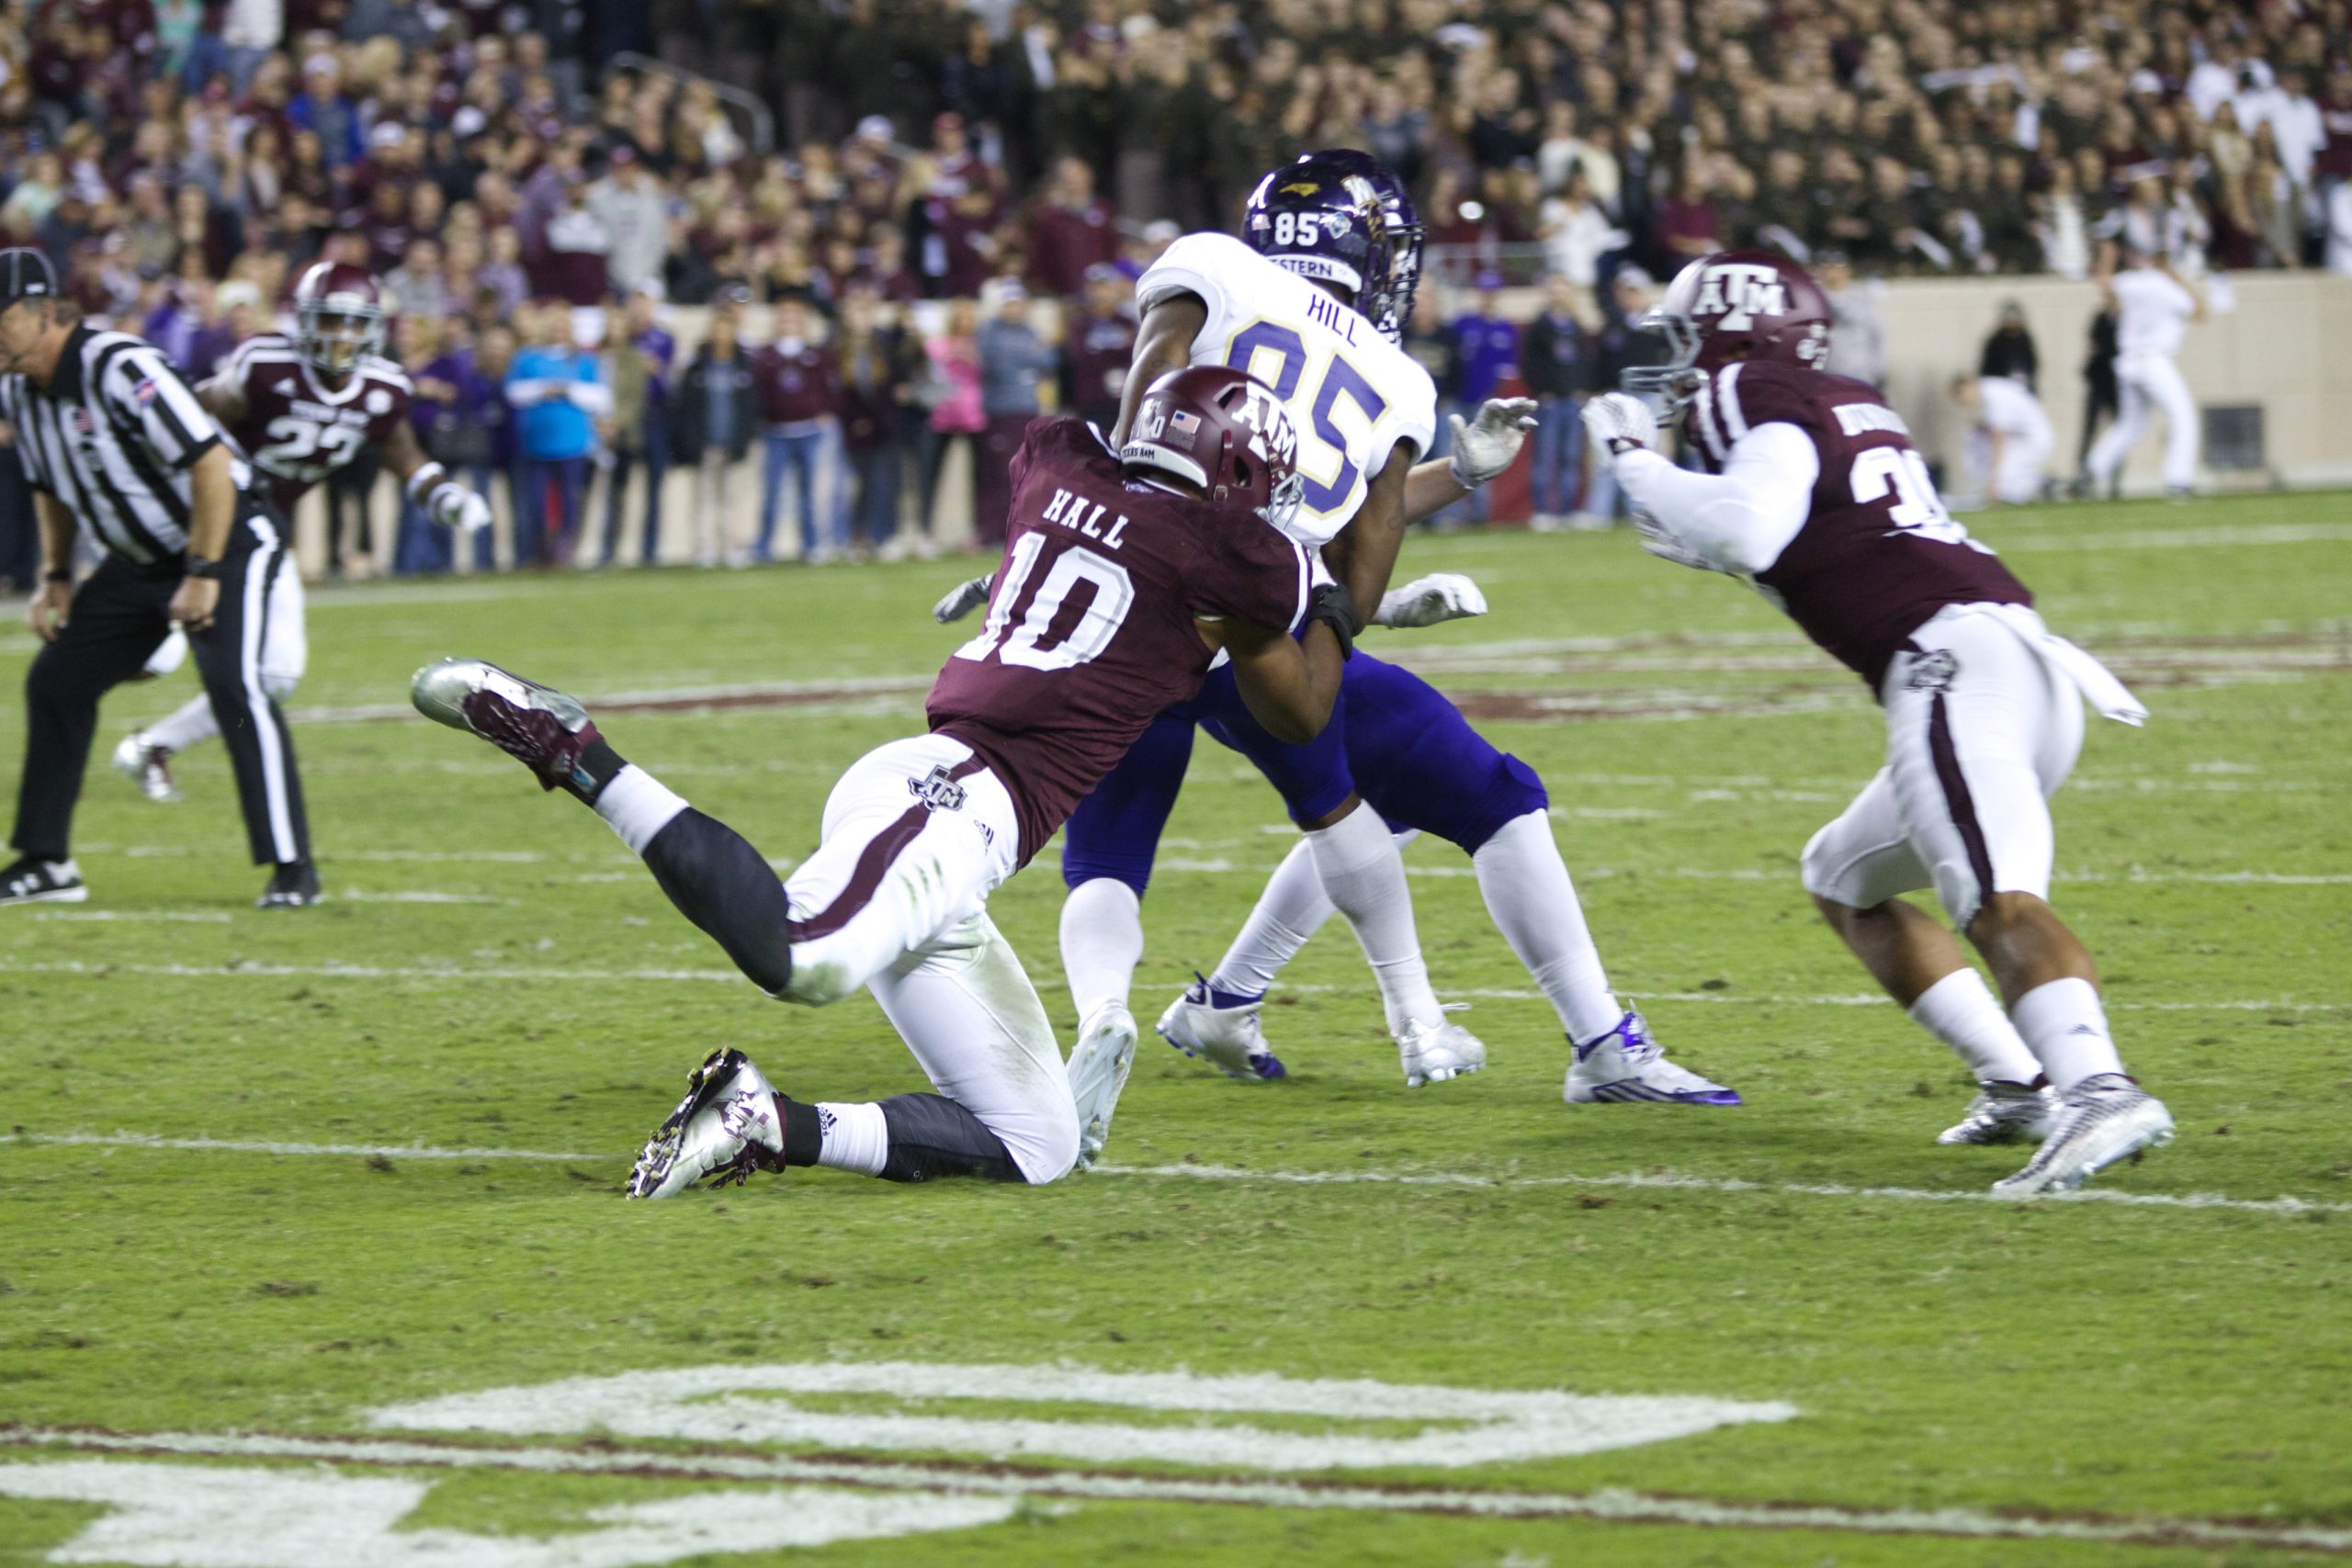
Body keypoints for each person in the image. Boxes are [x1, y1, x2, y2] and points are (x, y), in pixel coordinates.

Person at [411, 365, 1349, 1194]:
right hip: (949, 797)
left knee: (1037, 1142)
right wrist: (1347, 599)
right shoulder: (1231, 560)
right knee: (802, 957)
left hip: (956, 823)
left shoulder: (1061, 463)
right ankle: (572, 751)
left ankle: (760, 1121)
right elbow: (1301, 705)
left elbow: (1120, 504)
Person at [950, 151, 1725, 1120]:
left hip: (1133, 613)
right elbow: (1352, 571)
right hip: (1253, 629)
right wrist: (1380, 586)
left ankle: (1181, 1004)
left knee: (1111, 845)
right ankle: (1558, 1037)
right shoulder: (1392, 375)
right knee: (1468, 793)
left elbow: (1144, 416)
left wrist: (1079, 546)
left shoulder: (1215, 268)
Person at [1584, 249, 2169, 1197]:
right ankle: (2019, 1082)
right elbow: (1786, 533)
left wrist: (1631, 461)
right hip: (2010, 660)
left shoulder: (1749, 384)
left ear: (1735, 331)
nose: (1681, 367)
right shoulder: (1834, 398)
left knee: (1996, 901)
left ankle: (2098, 1089)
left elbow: (1745, 526)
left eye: (1687, 340)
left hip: (1947, 666)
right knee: (1843, 876)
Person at [0, 248, 319, 909]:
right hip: (139, 559)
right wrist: (55, 574)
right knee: (58, 681)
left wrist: (203, 573)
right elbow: (48, 485)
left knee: (235, 684)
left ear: (42, 312)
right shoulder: (16, 390)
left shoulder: (122, 366)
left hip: (225, 538)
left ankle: (293, 868)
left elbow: (208, 464)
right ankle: (46, 862)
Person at [113, 262, 490, 805]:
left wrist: (443, 495)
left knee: (278, 676)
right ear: (306, 322)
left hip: (267, 534)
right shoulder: (266, 365)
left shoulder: (383, 388)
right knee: (163, 649)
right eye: (330, 321)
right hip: (207, 523)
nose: (340, 337)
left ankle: (151, 746)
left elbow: (404, 454)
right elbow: (188, 413)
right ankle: (138, 633)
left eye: (352, 324)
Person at [2084, 245, 2204, 500]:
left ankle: (2091, 471)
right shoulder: (2164, 285)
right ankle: (2178, 480)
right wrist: (2176, 276)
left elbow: (2106, 288)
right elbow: (2200, 311)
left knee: (2130, 425)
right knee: (2183, 417)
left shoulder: (2130, 283)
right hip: (2154, 360)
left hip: (2128, 361)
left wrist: (2107, 256)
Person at [505, 301, 609, 565]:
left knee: (570, 502)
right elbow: (514, 392)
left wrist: (568, 390)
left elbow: (599, 396)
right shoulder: (528, 358)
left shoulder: (583, 360)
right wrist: (543, 389)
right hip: (536, 443)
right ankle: (541, 550)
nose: (558, 330)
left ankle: (565, 551)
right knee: (537, 503)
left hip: (573, 442)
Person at [667, 298, 759, 569]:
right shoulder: (697, 366)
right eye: (717, 329)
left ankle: (731, 546)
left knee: (731, 499)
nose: (722, 335)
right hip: (704, 441)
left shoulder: (743, 366)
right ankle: (703, 547)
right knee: (702, 499)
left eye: (727, 329)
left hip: (732, 441)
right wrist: (688, 440)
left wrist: (745, 437)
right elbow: (684, 406)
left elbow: (751, 406)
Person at [753, 297, 842, 563]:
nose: (788, 323)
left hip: (809, 431)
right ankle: (764, 545)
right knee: (772, 493)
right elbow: (758, 392)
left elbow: (830, 388)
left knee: (809, 494)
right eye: (783, 317)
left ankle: (811, 543)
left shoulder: (816, 355)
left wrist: (825, 411)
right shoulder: (766, 356)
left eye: (793, 317)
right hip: (776, 432)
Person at [833, 288, 914, 558]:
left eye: (865, 312)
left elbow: (891, 386)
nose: (860, 318)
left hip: (883, 426)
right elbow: (840, 392)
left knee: (887, 485)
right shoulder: (837, 347)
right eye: (855, 312)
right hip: (853, 428)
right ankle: (856, 537)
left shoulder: (884, 345)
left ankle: (886, 536)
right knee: (858, 486)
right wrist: (857, 420)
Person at [974, 286, 1057, 547]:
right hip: (999, 408)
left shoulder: (1029, 331)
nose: (1014, 309)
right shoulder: (989, 331)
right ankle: (992, 530)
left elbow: (1050, 361)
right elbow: (995, 364)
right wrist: (1027, 359)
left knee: (1024, 471)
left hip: (1027, 408)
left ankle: (1016, 527)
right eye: (1010, 304)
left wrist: (1024, 360)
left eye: (1018, 303)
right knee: (998, 471)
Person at [601, 286, 673, 567]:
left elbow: (660, 373)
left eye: (645, 303)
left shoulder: (662, 338)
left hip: (654, 415)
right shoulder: (621, 343)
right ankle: (610, 550)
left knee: (653, 486)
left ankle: (650, 550)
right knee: (617, 487)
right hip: (622, 420)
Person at [1519, 274, 1593, 529]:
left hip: (1573, 400)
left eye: (1563, 290)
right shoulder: (1539, 327)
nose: (1559, 295)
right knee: (1545, 456)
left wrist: (1582, 388)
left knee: (1571, 456)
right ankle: (1543, 510)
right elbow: (1529, 364)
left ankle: (1568, 509)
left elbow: (1584, 361)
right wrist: (1541, 391)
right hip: (1549, 401)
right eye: (1554, 290)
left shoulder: (1576, 326)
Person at [1952, 373, 2054, 506]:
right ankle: (2038, 486)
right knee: (1976, 440)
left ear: (1970, 385)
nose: (1961, 400)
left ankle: (2043, 485)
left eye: (1961, 393)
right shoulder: (1987, 391)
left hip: (2033, 438)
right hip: (2020, 437)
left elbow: (1999, 439)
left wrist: (1994, 482)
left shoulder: (1993, 395)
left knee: (2006, 475)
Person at [1059, 263, 1136, 433]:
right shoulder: (1080, 323)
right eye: (1095, 288)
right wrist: (1116, 348)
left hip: (1125, 400)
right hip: (1091, 400)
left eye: (1106, 287)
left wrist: (1101, 349)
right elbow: (1079, 357)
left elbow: (1135, 353)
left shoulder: (1126, 321)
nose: (1101, 293)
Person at [1979, 301, 2039, 393]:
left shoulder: (2025, 340)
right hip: (2001, 387)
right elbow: (1988, 367)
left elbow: (2032, 363)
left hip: (2023, 386)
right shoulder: (1996, 341)